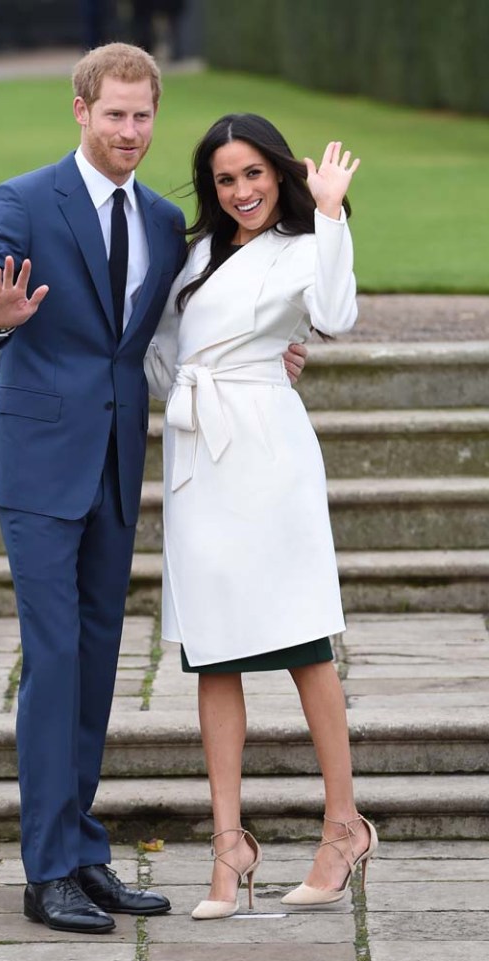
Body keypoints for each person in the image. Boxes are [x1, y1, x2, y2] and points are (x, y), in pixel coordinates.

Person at [0, 41, 309, 935]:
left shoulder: (157, 219)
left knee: (100, 660)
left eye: (144, 115)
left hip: (115, 462)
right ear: (81, 110)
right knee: (56, 655)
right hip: (36, 466)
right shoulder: (24, 200)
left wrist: (264, 357)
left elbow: (170, 339)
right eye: (114, 114)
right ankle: (46, 870)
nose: (131, 131)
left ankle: (82, 848)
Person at [144, 114, 378, 920]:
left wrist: (333, 212)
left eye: (254, 174)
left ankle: (344, 826)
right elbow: (165, 353)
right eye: (225, 179)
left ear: (279, 173)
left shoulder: (306, 242)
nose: (242, 191)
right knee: (212, 650)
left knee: (303, 640)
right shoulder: (197, 256)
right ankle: (228, 844)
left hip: (268, 457)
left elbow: (339, 314)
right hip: (200, 456)